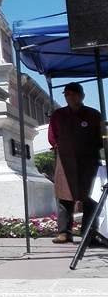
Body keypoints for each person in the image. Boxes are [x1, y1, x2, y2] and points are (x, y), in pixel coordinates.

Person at [49, 82, 104, 244]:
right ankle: (64, 233)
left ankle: (89, 233)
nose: (69, 97)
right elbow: (53, 137)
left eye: (72, 94)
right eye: (66, 94)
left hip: (88, 161)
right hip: (66, 161)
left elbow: (101, 138)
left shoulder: (94, 114)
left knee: (89, 198)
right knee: (64, 198)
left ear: (81, 95)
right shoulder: (58, 115)